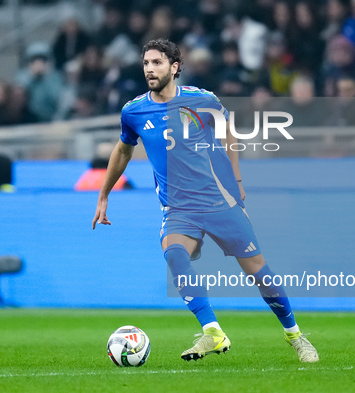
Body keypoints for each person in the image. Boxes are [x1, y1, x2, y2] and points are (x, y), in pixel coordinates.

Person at [92, 38, 319, 363]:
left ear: (174, 66)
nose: (149, 69)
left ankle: (295, 336)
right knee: (174, 253)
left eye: (157, 63)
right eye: (145, 64)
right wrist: (104, 194)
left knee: (258, 272)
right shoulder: (134, 111)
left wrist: (236, 180)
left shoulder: (202, 100)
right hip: (179, 209)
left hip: (217, 201)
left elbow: (229, 131)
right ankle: (213, 331)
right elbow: (124, 150)